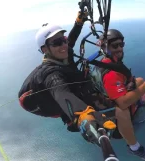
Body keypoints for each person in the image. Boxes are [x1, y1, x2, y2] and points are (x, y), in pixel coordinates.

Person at [18, 10, 117, 146]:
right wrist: (83, 115)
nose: (64, 45)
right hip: (76, 103)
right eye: (57, 42)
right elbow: (61, 92)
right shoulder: (50, 74)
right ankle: (133, 145)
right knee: (119, 107)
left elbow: (71, 41)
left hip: (80, 89)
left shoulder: (62, 55)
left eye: (63, 40)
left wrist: (79, 22)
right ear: (45, 49)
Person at [98, 29, 145, 160]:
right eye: (114, 46)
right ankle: (135, 147)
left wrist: (139, 83)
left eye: (121, 45)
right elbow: (122, 102)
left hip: (114, 96)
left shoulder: (107, 62)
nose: (119, 49)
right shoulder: (111, 73)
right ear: (106, 48)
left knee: (140, 81)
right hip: (118, 112)